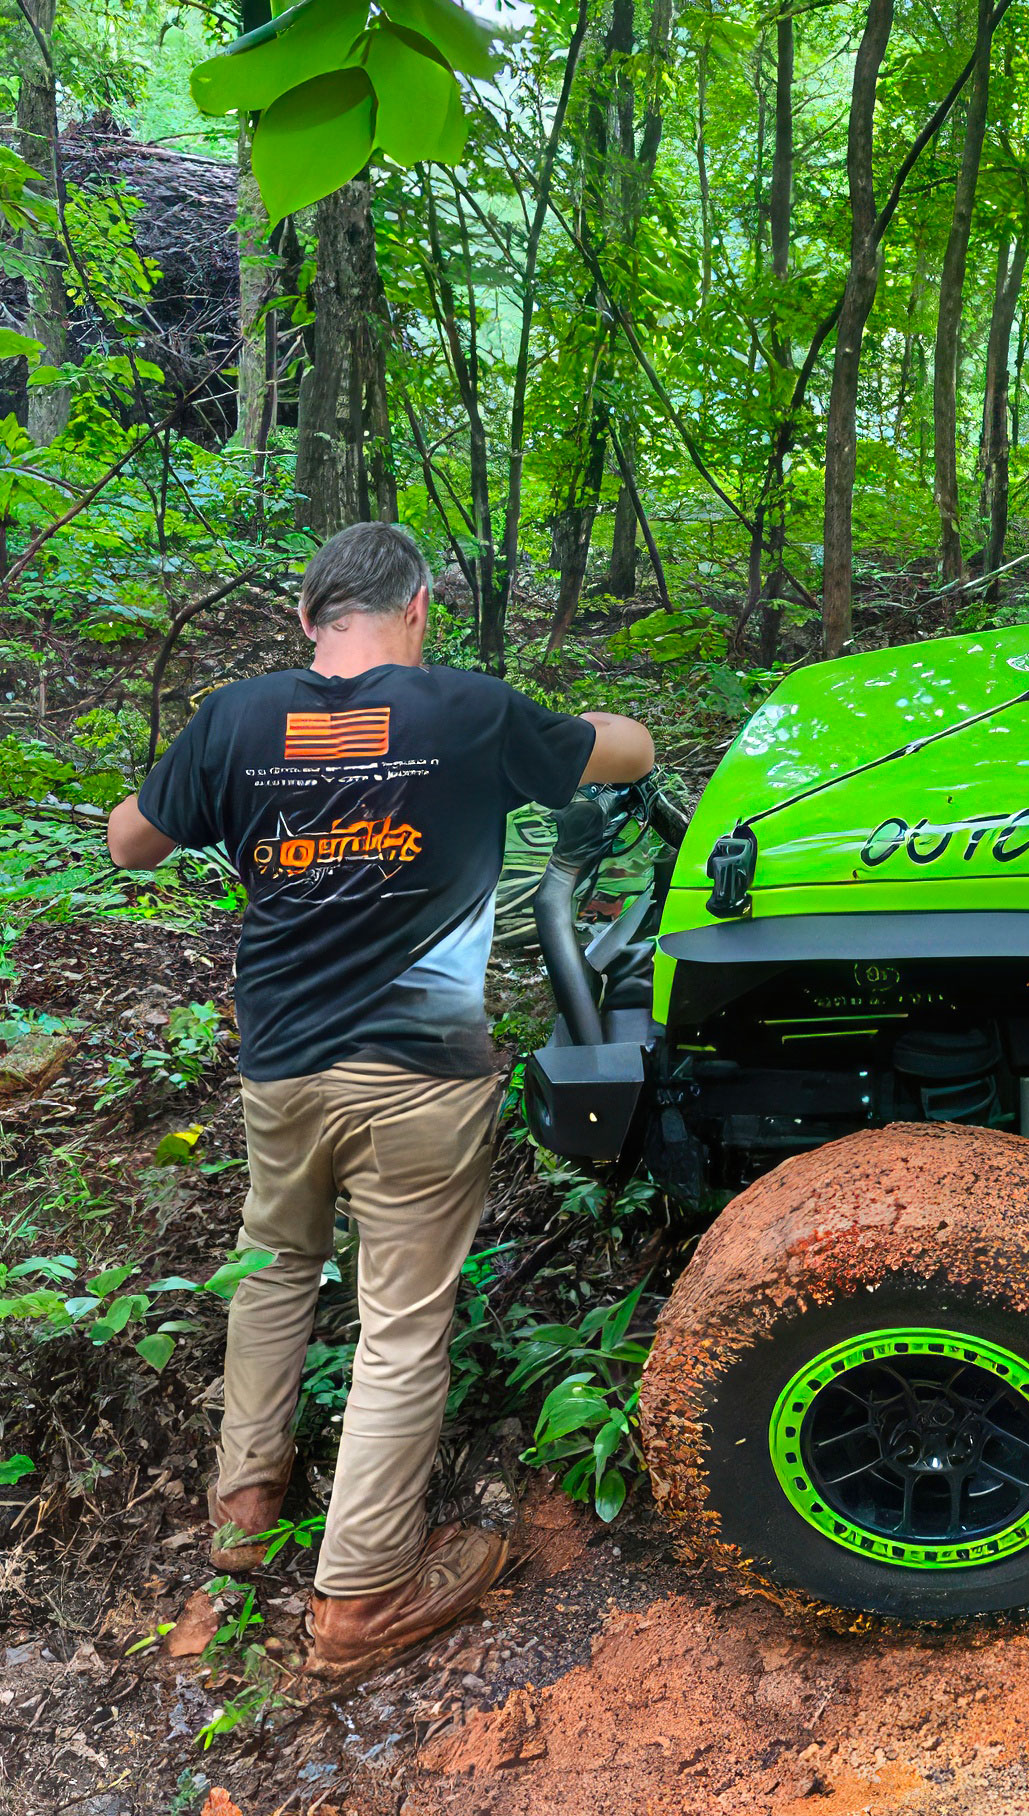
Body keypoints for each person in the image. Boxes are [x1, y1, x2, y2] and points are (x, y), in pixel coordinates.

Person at [107, 522, 653, 1683]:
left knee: (273, 1265)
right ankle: (359, 1599)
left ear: (309, 617)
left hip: (284, 1067)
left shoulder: (238, 718)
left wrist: (226, 781)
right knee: (400, 1328)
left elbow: (128, 847)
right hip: (419, 1077)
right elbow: (626, 749)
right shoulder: (468, 711)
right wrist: (585, 736)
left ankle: (245, 1508)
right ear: (418, 613)